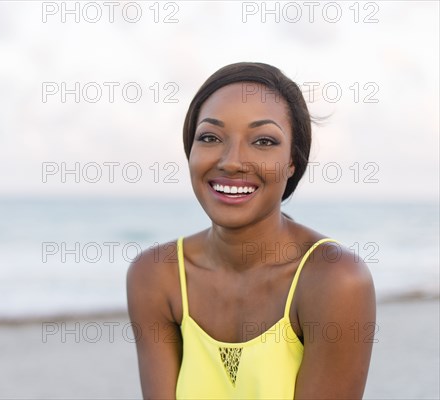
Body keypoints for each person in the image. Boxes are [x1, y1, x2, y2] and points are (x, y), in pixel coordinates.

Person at [126, 62, 376, 399]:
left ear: (292, 161)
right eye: (210, 137)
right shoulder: (156, 275)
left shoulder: (335, 280)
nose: (231, 161)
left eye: (263, 141)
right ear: (191, 151)